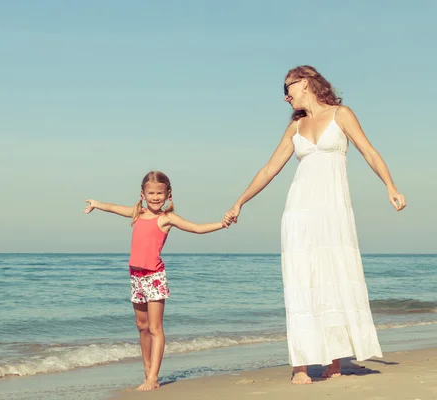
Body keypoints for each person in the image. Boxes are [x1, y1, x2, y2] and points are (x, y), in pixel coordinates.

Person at [224, 65, 406, 385]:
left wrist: (390, 186)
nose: (285, 97)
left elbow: (369, 151)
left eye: (287, 89)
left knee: (333, 277)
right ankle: (301, 365)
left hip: (334, 212)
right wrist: (240, 201)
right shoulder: (295, 128)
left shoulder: (341, 114)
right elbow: (269, 169)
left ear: (304, 83)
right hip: (299, 211)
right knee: (301, 282)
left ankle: (334, 361)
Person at [84, 170, 228, 391]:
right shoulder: (136, 213)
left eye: (159, 193)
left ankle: (153, 378)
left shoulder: (166, 219)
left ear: (168, 194)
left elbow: (197, 228)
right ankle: (147, 374)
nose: (155, 197)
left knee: (155, 328)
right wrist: (96, 203)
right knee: (141, 327)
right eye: (150, 192)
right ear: (142, 193)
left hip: (154, 277)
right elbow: (113, 208)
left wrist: (222, 223)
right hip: (135, 276)